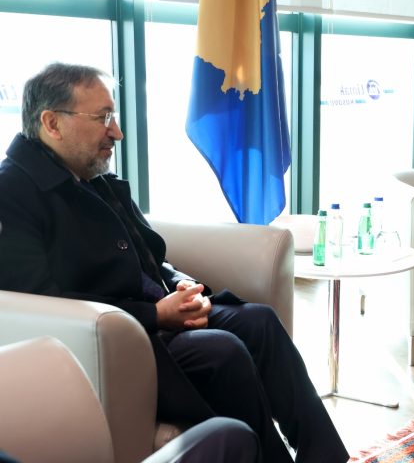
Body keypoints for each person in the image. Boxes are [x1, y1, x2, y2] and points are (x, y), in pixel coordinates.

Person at [0, 63, 348, 463]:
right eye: (103, 118)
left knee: (261, 322)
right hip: (117, 342)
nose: (117, 132)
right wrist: (156, 314)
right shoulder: (12, 191)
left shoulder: (91, 176)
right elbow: (38, 304)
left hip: (157, 316)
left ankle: (328, 458)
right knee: (223, 352)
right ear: (52, 123)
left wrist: (182, 285)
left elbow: (149, 257)